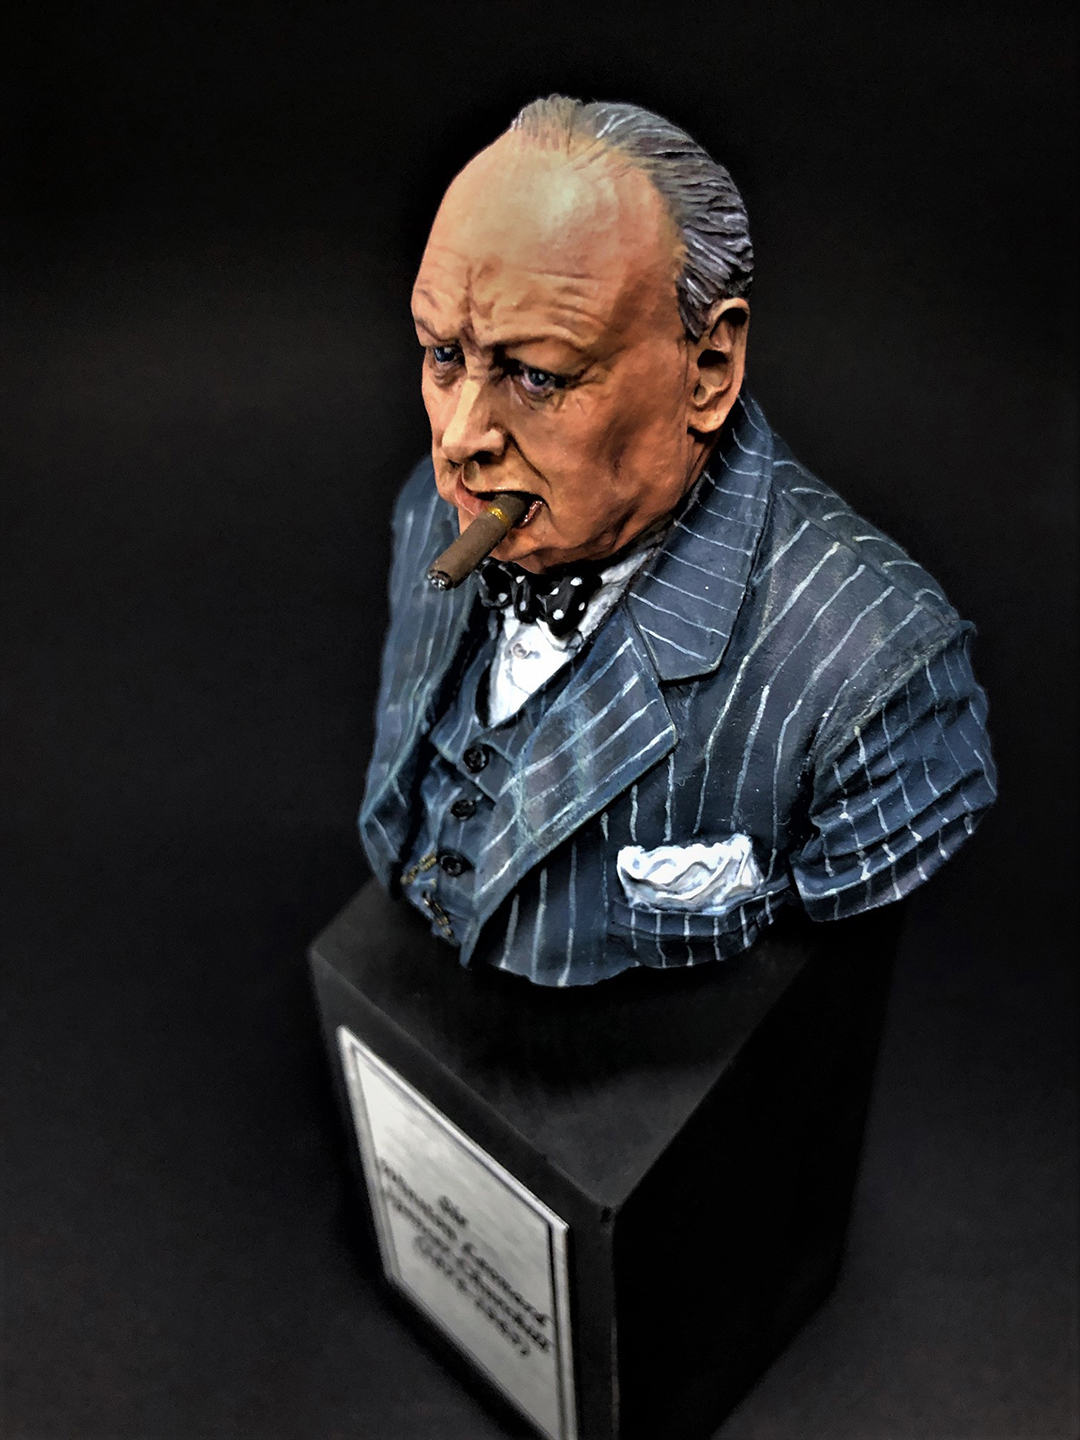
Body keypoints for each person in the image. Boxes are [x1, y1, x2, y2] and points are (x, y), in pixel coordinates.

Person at [359, 95, 996, 986]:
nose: (461, 437)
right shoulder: (430, 513)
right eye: (442, 356)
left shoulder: (881, 685)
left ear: (708, 369)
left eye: (536, 375)